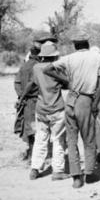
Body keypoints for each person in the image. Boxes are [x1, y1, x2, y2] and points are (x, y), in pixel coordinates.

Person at [43, 31, 100, 188]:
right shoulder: (97, 57)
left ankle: (76, 177)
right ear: (88, 44)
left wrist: (67, 81)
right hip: (86, 99)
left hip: (70, 100)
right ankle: (89, 173)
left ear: (75, 45)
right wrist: (95, 103)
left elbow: (47, 69)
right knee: (88, 139)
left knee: (71, 140)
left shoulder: (68, 58)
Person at [20, 41, 69, 181]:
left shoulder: (36, 68)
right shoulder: (57, 68)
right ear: (54, 56)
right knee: (59, 140)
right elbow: (66, 84)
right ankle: (58, 171)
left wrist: (22, 97)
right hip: (57, 108)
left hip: (41, 109)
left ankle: (35, 169)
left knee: (40, 139)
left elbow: (31, 84)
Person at [14, 46, 40, 162]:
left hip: (26, 101)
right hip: (37, 100)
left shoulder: (23, 66)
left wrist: (21, 96)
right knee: (37, 129)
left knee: (29, 127)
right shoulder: (39, 66)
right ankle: (34, 155)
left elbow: (17, 82)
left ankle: (30, 152)